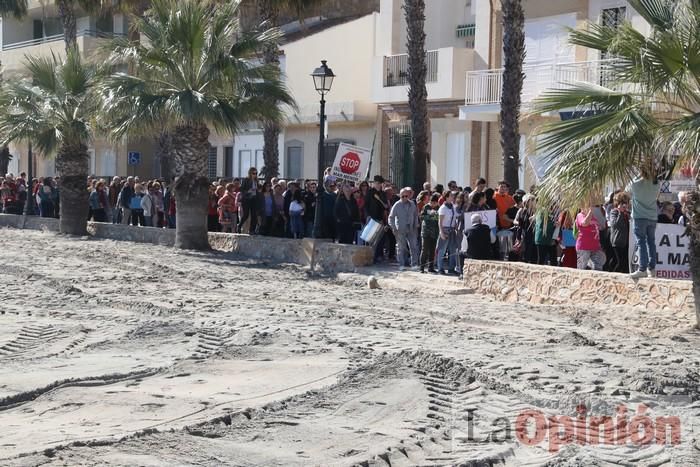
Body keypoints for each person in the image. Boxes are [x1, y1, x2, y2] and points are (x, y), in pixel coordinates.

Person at [627, 167, 659, 278]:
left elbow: (627, 188)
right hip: (652, 217)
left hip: (639, 217)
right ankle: (652, 269)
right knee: (651, 242)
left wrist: (638, 175)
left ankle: (642, 269)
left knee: (641, 242)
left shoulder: (635, 184)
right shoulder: (656, 184)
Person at [388, 187, 420, 270]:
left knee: (413, 246)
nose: (405, 198)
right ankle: (402, 264)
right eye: (403, 196)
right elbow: (391, 217)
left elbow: (416, 215)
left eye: (406, 196)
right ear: (400, 196)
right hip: (400, 229)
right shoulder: (397, 205)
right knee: (401, 247)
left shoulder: (412, 204)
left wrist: (416, 224)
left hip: (411, 229)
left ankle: (414, 264)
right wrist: (394, 228)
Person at [575, 202, 606, 271]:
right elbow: (584, 223)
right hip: (584, 247)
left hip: (595, 247)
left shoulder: (593, 217)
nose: (589, 208)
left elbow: (600, 228)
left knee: (598, 266)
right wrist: (590, 212)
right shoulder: (580, 215)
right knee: (581, 268)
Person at [365, 175, 389, 262]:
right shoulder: (370, 192)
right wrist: (368, 216)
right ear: (374, 183)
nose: (378, 185)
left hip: (380, 218)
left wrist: (385, 206)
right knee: (371, 239)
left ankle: (378, 256)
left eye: (380, 183)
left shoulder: (382, 193)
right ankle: (370, 257)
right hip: (372, 218)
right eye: (377, 183)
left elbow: (385, 206)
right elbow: (366, 205)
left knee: (380, 239)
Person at [437, 191, 458, 275]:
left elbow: (455, 219)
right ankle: (440, 268)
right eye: (451, 196)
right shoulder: (443, 208)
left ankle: (451, 268)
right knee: (442, 250)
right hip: (445, 229)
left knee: (452, 250)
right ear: (446, 197)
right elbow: (440, 222)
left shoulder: (453, 207)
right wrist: (441, 232)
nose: (453, 197)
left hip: (452, 230)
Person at [609, 191, 630, 273]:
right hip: (618, 241)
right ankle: (613, 276)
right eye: (622, 203)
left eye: (626, 202)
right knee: (620, 262)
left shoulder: (627, 213)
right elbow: (615, 224)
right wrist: (620, 212)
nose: (625, 205)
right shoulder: (614, 212)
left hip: (626, 242)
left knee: (624, 263)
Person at [420, 193, 440, 273]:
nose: (433, 205)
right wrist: (431, 216)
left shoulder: (438, 208)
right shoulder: (426, 207)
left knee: (432, 251)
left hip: (434, 232)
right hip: (426, 232)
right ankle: (421, 267)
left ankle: (430, 267)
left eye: (435, 203)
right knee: (424, 250)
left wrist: (434, 217)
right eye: (432, 202)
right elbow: (422, 217)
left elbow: (438, 218)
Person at [238, 167, 260, 234]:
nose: (255, 175)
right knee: (246, 215)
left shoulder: (256, 181)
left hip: (254, 199)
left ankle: (251, 230)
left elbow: (257, 189)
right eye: (253, 173)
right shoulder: (246, 180)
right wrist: (248, 191)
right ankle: (239, 226)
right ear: (250, 173)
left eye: (256, 173)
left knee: (254, 215)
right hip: (247, 199)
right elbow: (241, 189)